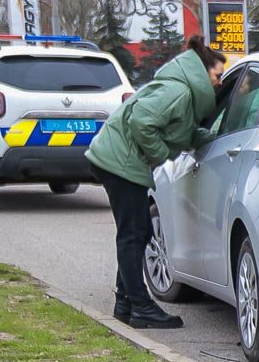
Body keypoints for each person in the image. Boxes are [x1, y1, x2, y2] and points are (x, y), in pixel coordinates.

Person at [85, 36, 226, 330]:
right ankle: (141, 307)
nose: (219, 82)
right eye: (217, 75)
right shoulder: (179, 91)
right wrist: (160, 155)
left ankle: (126, 304)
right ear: (202, 71)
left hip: (120, 161)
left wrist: (207, 137)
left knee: (140, 231)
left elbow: (178, 130)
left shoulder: (183, 92)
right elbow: (141, 122)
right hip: (119, 162)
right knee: (132, 234)